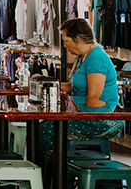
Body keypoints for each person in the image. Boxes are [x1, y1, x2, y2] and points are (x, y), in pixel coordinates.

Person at [39, 18, 123, 153]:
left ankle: (58, 171)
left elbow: (93, 98)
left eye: (66, 41)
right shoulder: (82, 57)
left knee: (46, 129)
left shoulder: (96, 58)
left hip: (100, 119)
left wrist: (71, 111)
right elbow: (74, 87)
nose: (65, 45)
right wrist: (47, 83)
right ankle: (52, 170)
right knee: (45, 125)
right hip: (86, 114)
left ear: (77, 39)